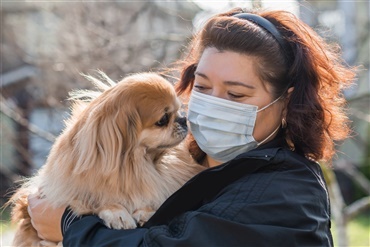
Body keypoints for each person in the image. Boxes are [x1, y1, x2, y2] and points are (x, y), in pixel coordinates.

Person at [27, 7, 355, 246]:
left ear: (285, 103)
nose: (213, 103)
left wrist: (72, 228)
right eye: (202, 87)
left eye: (235, 94)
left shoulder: (289, 193)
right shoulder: (177, 162)